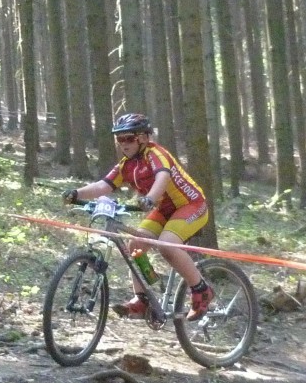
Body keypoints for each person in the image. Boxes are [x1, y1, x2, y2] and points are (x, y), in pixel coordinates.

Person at [62, 113, 213, 321]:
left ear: (143, 138)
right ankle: (142, 299)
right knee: (135, 244)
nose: (123, 143)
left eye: (129, 138)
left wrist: (150, 198)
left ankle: (202, 290)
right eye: (119, 139)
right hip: (164, 209)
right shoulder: (126, 165)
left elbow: (163, 176)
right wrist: (76, 193)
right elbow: (103, 185)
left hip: (191, 205)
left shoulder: (156, 154)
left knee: (167, 245)